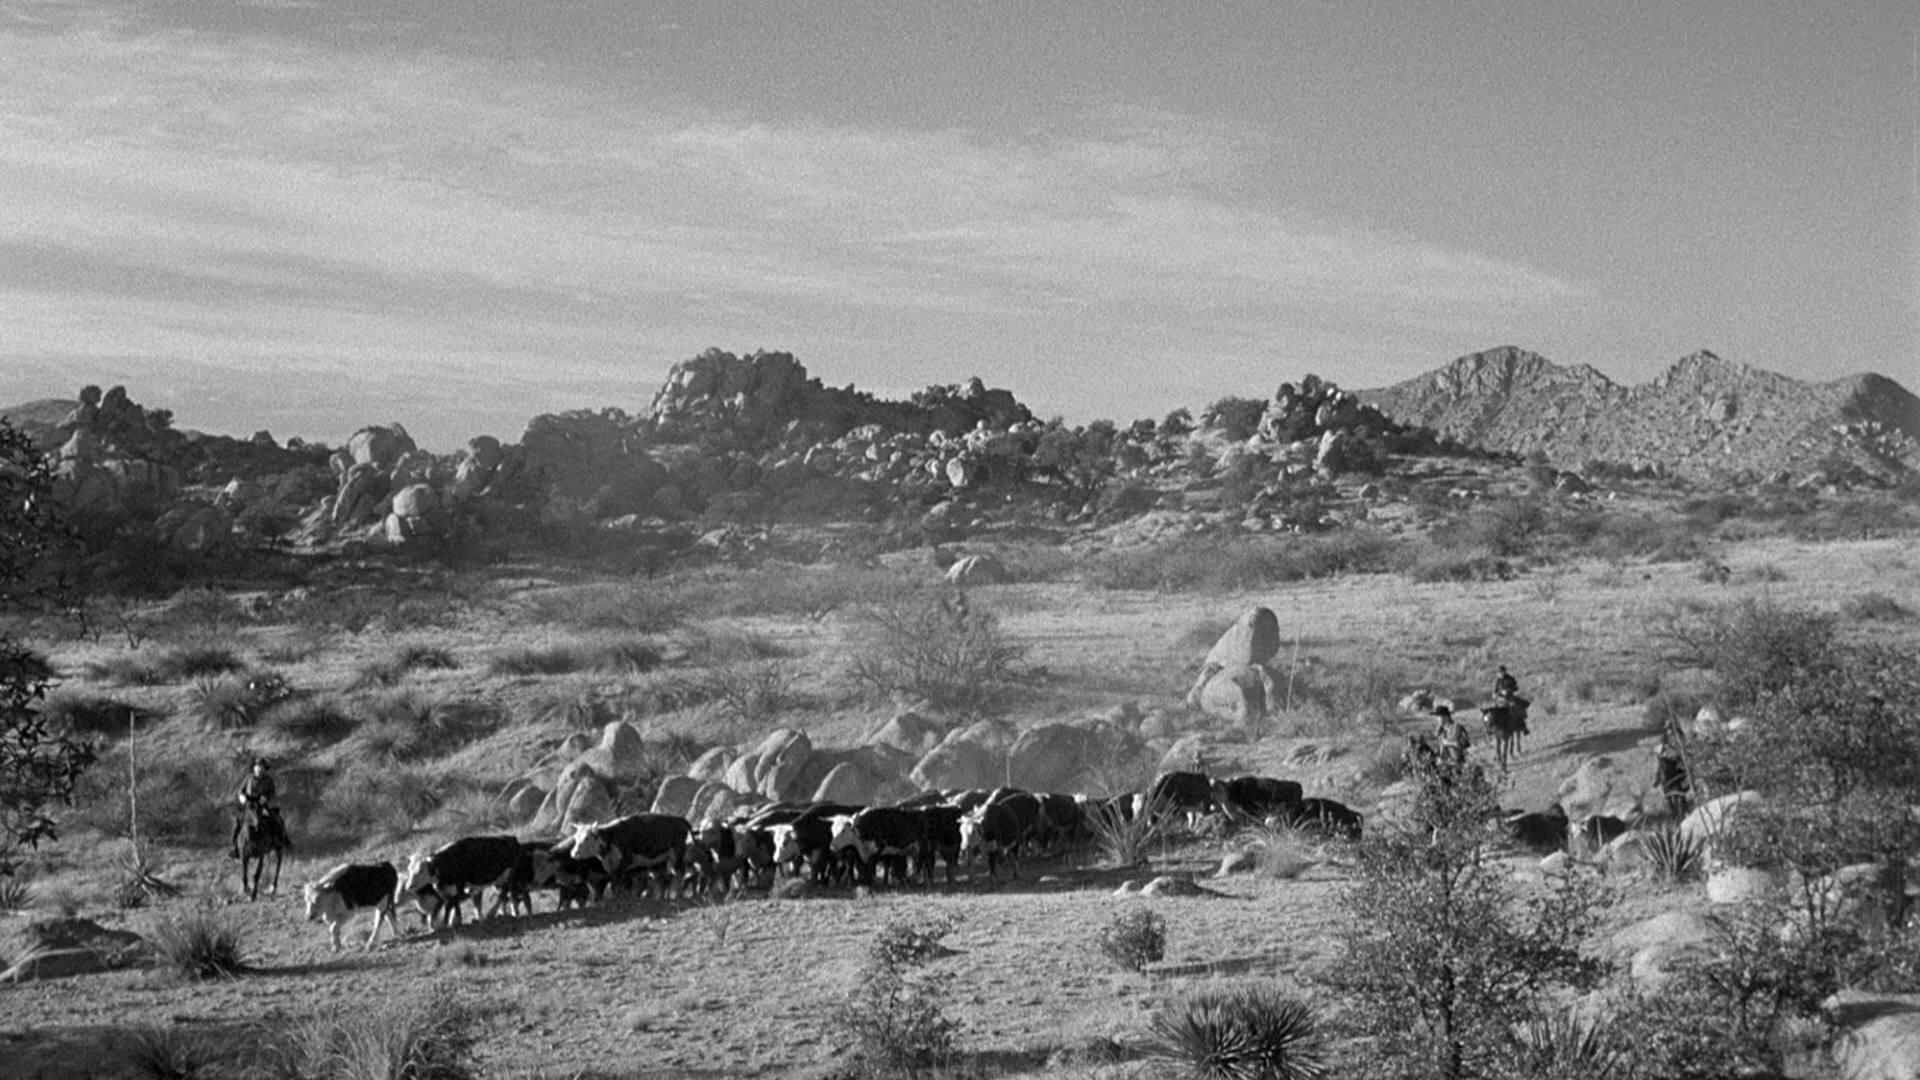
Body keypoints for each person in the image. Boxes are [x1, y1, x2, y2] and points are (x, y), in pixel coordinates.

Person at [229, 758, 280, 858]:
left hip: (262, 806)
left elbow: (272, 793)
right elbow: (240, 790)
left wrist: (266, 798)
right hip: (249, 806)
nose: (258, 769)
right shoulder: (249, 778)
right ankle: (236, 848)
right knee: (237, 823)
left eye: (261, 767)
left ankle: (275, 844)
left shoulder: (268, 780)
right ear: (254, 768)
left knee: (273, 821)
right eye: (257, 766)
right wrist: (242, 797)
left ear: (264, 769)